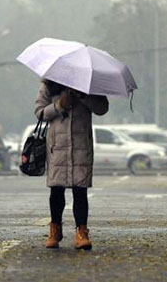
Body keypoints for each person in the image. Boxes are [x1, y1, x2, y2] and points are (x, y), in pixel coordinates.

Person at [35, 78, 108, 250]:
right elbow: (39, 112)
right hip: (57, 146)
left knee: (80, 190)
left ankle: (82, 232)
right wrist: (59, 105)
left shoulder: (90, 84)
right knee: (56, 190)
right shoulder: (48, 83)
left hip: (81, 145)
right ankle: (55, 230)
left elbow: (102, 108)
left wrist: (84, 96)